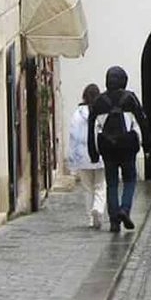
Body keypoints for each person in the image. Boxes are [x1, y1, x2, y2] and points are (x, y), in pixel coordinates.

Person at [87, 65, 149, 233]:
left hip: (107, 147)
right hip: (127, 145)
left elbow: (91, 128)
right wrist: (147, 145)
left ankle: (114, 221)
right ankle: (125, 209)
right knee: (129, 180)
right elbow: (142, 122)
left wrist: (93, 152)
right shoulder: (130, 98)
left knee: (112, 183)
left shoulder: (99, 101)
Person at [68, 83, 106, 229]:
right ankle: (98, 207)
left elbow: (73, 137)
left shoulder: (77, 115)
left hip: (82, 158)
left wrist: (73, 161)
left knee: (88, 189)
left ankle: (90, 218)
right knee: (100, 186)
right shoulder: (101, 113)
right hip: (99, 155)